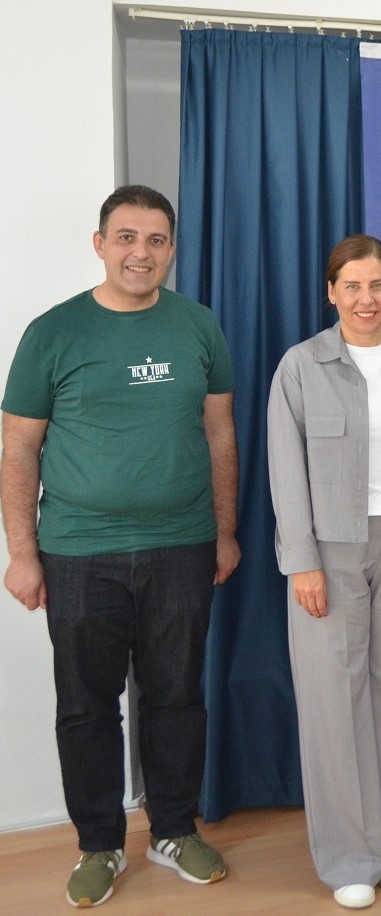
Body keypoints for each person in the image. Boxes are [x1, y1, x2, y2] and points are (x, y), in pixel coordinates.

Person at [1, 185, 238, 907]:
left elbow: (219, 433)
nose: (142, 253)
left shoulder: (197, 325)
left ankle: (174, 829)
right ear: (100, 244)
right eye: (127, 237)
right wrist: (22, 553)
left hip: (182, 545)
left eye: (156, 240)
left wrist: (225, 531)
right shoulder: (53, 332)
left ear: (172, 249)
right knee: (86, 706)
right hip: (78, 551)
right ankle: (99, 843)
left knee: (177, 696)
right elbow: (19, 446)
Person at [267, 234, 381, 910]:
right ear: (331, 292)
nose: (365, 299)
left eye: (376, 285)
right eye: (351, 286)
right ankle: (350, 856)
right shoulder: (300, 366)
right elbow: (286, 473)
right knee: (334, 702)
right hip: (331, 550)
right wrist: (302, 563)